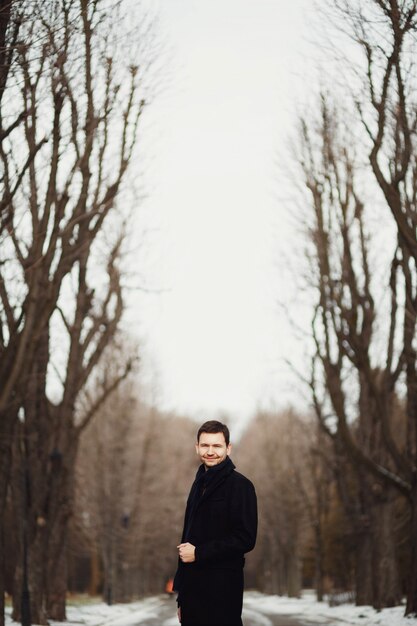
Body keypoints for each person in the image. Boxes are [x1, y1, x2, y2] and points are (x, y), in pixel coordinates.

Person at [173, 420, 257, 626]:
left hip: (222, 593)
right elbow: (188, 537)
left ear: (228, 448)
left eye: (217, 446)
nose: (210, 451)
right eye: (205, 445)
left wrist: (199, 553)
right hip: (192, 594)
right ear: (197, 447)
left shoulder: (241, 486)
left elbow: (245, 539)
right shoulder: (198, 484)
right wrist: (181, 599)